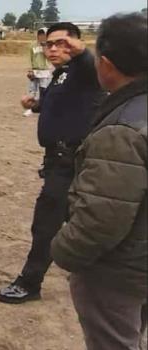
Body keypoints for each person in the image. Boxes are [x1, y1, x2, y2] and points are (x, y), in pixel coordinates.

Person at [50, 13, 147, 350]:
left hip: (118, 269)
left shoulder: (121, 130)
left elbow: (102, 218)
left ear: (106, 65)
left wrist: (63, 249)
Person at [0, 22, 106, 304]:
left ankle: (30, 283)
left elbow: (89, 61)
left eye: (62, 43)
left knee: (46, 223)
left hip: (71, 161)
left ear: (77, 44)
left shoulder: (86, 71)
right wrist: (35, 105)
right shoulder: (63, 74)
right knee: (80, 220)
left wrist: (81, 51)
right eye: (49, 44)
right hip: (58, 160)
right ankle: (98, 275)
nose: (54, 49)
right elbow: (60, 104)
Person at [23, 28, 53, 117]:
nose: (41, 37)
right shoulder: (32, 45)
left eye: (43, 35)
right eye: (40, 35)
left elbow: (49, 57)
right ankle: (30, 109)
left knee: (43, 91)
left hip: (45, 71)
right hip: (35, 70)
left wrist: (44, 46)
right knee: (32, 90)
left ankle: (42, 108)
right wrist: (30, 70)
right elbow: (29, 58)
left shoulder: (49, 45)